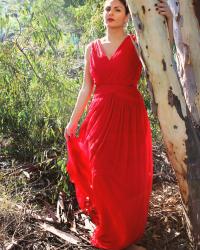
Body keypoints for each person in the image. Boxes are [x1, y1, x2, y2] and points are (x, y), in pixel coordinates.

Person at [64, 0, 173, 249]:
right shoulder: (91, 48)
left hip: (130, 116)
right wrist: (72, 122)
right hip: (100, 117)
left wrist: (167, 21)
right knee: (100, 176)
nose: (110, 13)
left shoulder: (136, 43)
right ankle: (109, 231)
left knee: (128, 178)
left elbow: (161, 57)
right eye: (106, 9)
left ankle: (126, 234)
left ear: (127, 16)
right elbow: (86, 87)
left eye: (116, 9)